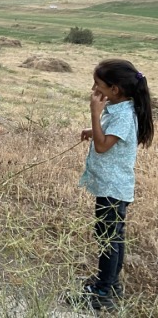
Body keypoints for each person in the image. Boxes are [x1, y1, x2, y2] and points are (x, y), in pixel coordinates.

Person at [73, 59, 153, 310]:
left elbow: (102, 146)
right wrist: (93, 127)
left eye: (97, 85)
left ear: (114, 90)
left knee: (108, 240)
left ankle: (102, 292)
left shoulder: (124, 115)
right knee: (112, 238)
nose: (93, 89)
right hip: (114, 187)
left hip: (112, 189)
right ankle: (111, 284)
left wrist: (94, 114)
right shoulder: (122, 109)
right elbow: (107, 137)